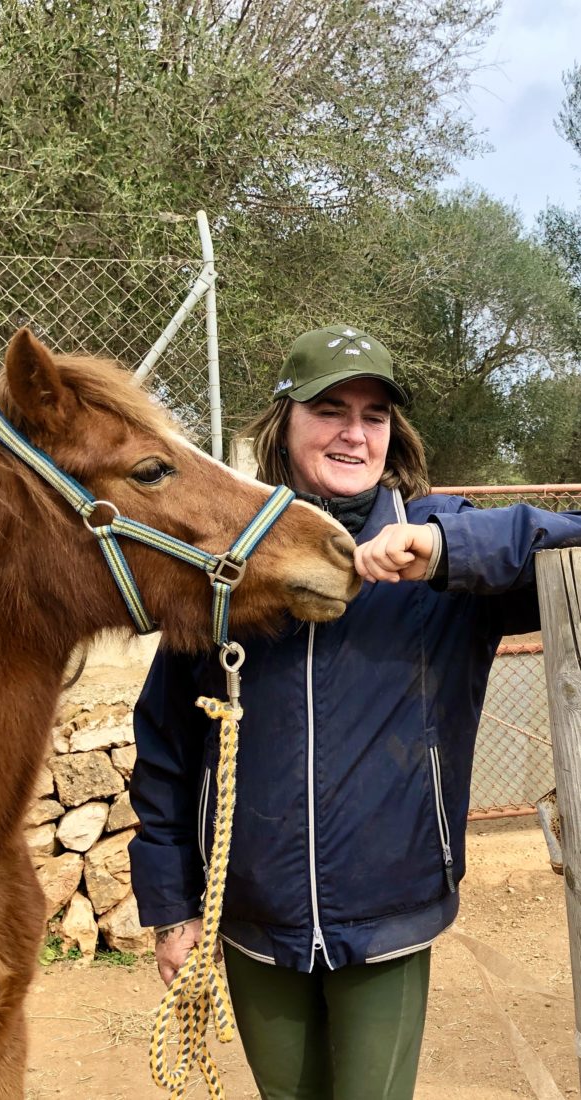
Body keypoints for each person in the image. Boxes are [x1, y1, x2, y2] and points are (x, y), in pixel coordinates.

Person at [128, 323, 581, 1100]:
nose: (352, 432)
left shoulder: (447, 556)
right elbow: (167, 747)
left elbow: (568, 545)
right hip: (249, 915)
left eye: (373, 415)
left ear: (391, 433)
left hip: (387, 914)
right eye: (328, 408)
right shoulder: (224, 566)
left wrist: (442, 550)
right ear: (285, 425)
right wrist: (173, 910)